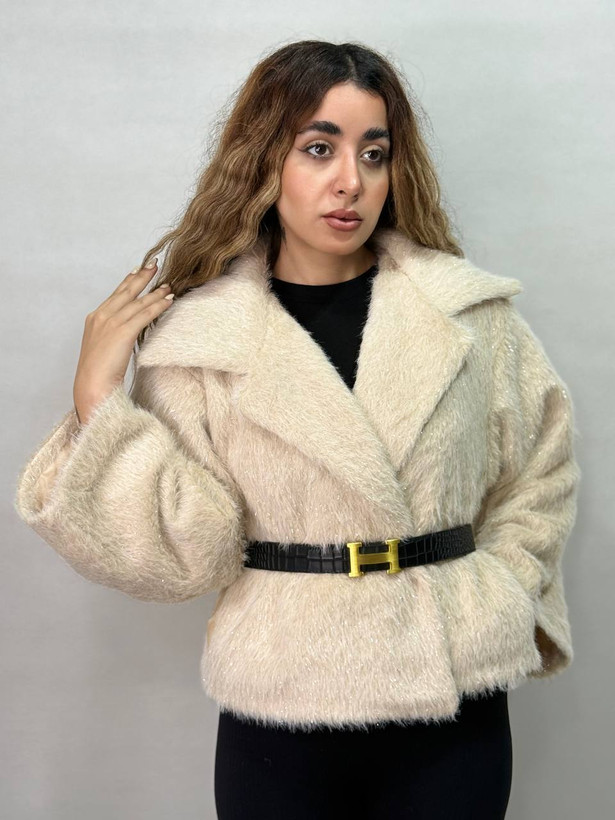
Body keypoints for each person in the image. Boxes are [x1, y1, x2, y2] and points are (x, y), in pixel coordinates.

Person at [14, 40, 581, 819]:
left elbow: (539, 471)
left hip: (452, 696)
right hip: (280, 708)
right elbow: (187, 553)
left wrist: (502, 589)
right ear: (263, 160)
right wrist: (96, 397)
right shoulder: (202, 341)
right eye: (319, 148)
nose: (351, 180)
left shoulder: (468, 315)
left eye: (373, 154)